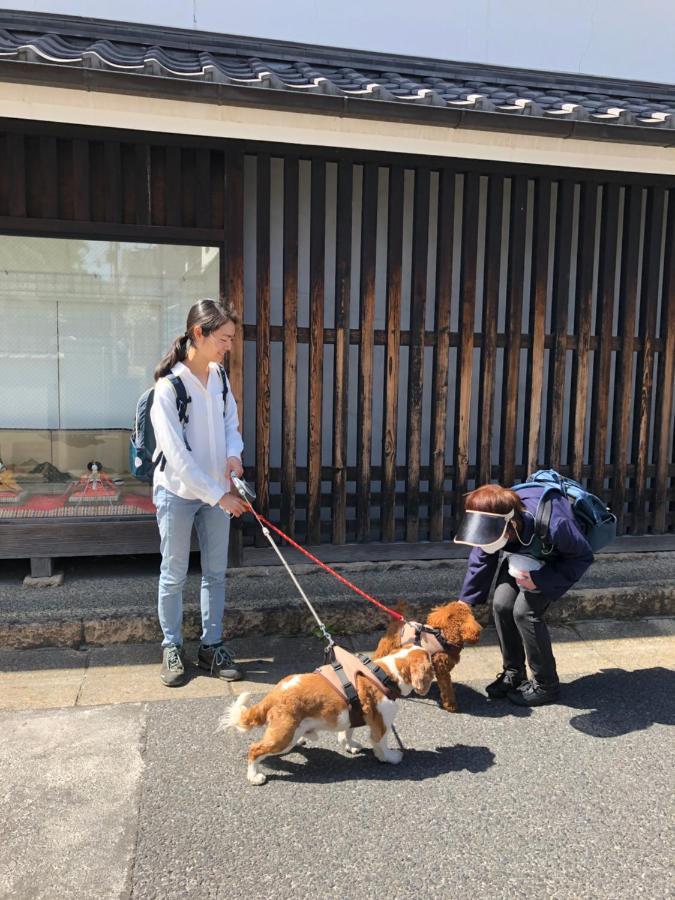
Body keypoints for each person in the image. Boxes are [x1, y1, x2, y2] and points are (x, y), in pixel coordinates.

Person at [151, 299, 248, 687]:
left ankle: (211, 644)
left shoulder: (219, 377)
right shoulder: (168, 387)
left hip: (217, 490)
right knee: (174, 574)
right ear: (199, 334)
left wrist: (233, 456)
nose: (228, 346)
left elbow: (231, 424)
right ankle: (171, 645)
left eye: (231, 339)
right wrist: (218, 496)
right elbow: (176, 458)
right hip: (178, 493)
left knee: (216, 573)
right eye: (223, 338)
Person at [455, 482, 594, 706]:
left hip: (553, 561)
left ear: (511, 523)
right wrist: (465, 602)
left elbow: (582, 557)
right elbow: (482, 556)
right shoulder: (492, 519)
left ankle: (546, 685)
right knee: (502, 605)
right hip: (523, 557)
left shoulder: (556, 524)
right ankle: (513, 674)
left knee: (525, 612)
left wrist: (539, 580)